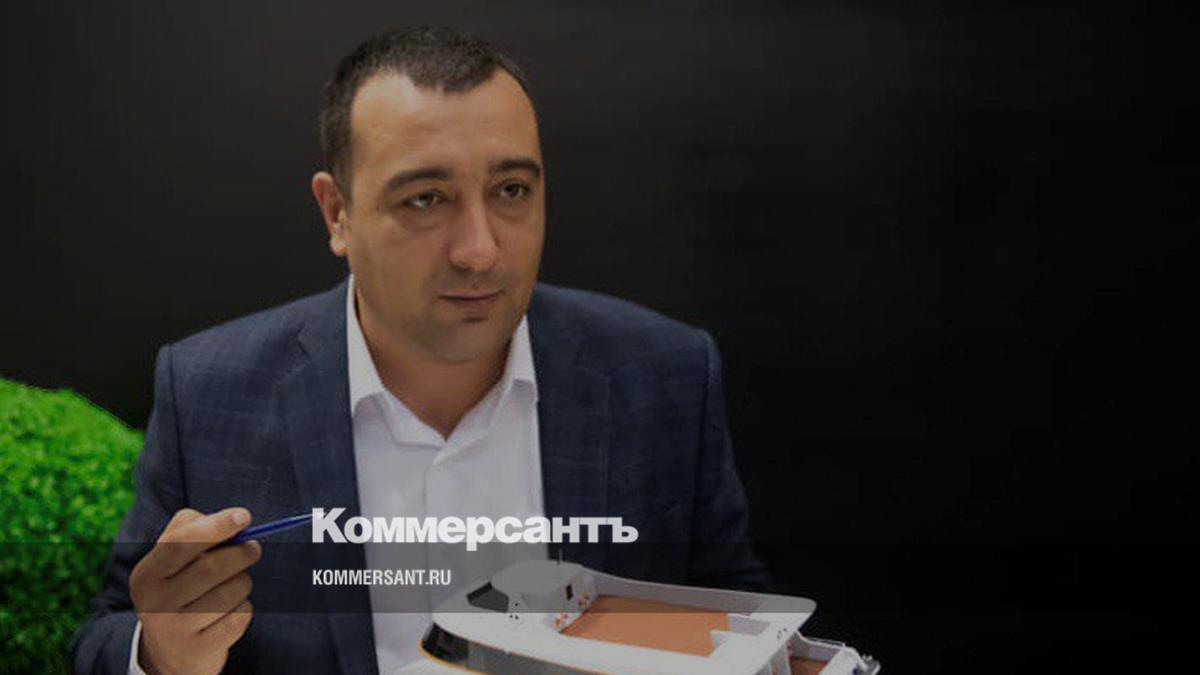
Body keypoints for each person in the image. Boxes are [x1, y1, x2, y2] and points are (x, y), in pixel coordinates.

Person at [71, 27, 768, 675]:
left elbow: (735, 613)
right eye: (426, 199)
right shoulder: (207, 391)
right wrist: (160, 652)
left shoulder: (666, 376)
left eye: (512, 190)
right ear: (337, 214)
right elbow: (109, 632)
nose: (480, 251)